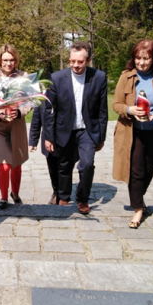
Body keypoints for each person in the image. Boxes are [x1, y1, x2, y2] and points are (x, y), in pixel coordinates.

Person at [111, 40, 153, 228]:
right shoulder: (126, 77)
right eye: (138, 58)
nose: (141, 62)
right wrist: (129, 109)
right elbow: (116, 104)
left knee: (149, 169)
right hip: (131, 133)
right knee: (135, 170)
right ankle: (138, 209)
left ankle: (139, 199)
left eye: (146, 58)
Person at [43, 41, 108, 215]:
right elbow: (50, 110)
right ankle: (63, 196)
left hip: (87, 130)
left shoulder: (99, 77)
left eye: (80, 62)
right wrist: (48, 137)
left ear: (88, 60)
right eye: (72, 61)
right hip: (64, 129)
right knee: (64, 165)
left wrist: (101, 137)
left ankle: (82, 199)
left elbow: (102, 110)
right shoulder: (57, 78)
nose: (76, 65)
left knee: (87, 164)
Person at [0, 44, 30, 209]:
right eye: (5, 60)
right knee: (4, 164)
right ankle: (3, 197)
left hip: (17, 125)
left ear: (16, 60)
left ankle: (15, 194)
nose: (8, 63)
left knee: (16, 163)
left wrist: (20, 112)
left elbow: (30, 100)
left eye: (11, 60)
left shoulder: (24, 77)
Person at [29, 101, 59, 205]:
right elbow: (36, 118)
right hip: (48, 138)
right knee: (53, 167)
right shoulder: (43, 94)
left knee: (65, 167)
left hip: (66, 135)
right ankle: (56, 192)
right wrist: (33, 140)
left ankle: (63, 194)